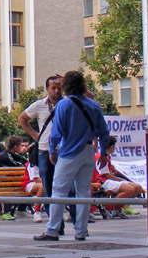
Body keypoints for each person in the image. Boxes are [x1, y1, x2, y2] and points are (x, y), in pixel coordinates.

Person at [34, 71, 110, 242]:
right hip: (88, 151)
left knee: (59, 191)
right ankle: (81, 230)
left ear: (65, 86)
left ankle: (52, 230)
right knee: (83, 192)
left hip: (69, 151)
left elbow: (56, 132)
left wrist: (52, 150)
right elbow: (103, 132)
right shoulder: (93, 105)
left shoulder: (64, 104)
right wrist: (104, 152)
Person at [18, 74, 63, 219]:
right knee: (48, 184)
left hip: (64, 150)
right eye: (53, 88)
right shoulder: (39, 105)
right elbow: (22, 118)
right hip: (44, 149)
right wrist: (34, 134)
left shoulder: (67, 103)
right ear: (47, 89)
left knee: (65, 183)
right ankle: (52, 217)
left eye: (59, 88)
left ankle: (64, 213)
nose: (57, 91)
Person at [95, 136, 144, 218]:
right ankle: (110, 208)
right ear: (112, 147)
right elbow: (105, 175)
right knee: (129, 189)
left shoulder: (107, 156)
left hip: (108, 180)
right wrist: (120, 180)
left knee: (138, 187)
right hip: (103, 181)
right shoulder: (101, 157)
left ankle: (118, 208)